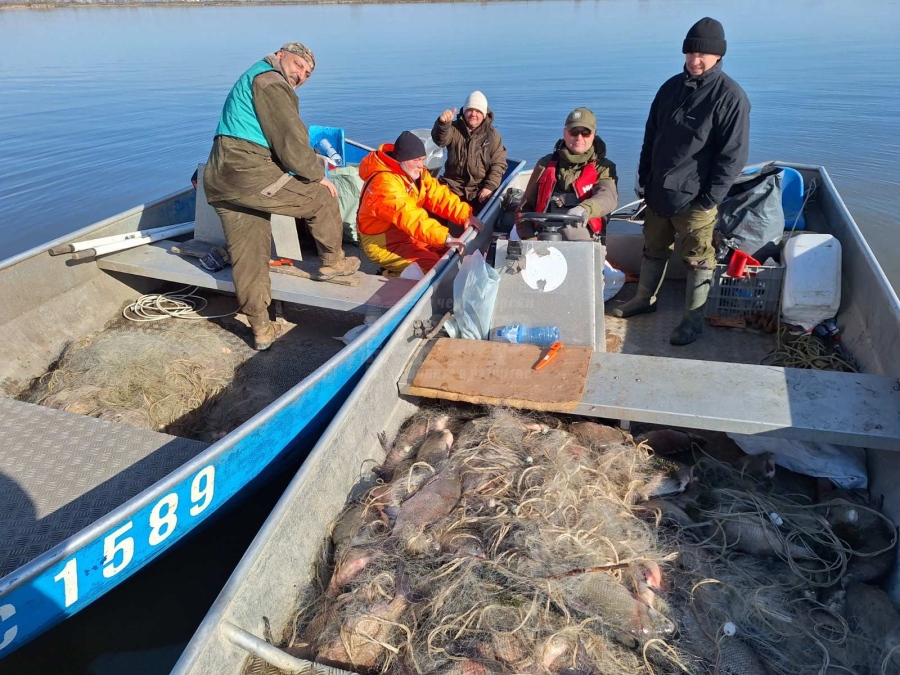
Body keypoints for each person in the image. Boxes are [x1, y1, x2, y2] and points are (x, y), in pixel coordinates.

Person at [203, 42, 359, 351]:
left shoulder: (252, 77)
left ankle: (261, 328)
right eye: (299, 65)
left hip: (220, 179)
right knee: (323, 197)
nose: (301, 74)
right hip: (248, 172)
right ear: (280, 54)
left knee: (248, 255)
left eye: (307, 73)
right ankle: (333, 262)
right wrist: (317, 176)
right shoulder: (271, 81)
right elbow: (290, 141)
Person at [614, 17, 750, 346]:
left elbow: (733, 157)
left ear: (719, 56)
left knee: (698, 259)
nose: (695, 59)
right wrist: (645, 179)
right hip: (659, 193)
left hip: (696, 200)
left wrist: (709, 199)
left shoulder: (731, 98)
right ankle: (644, 301)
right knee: (654, 248)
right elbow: (651, 137)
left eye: (703, 54)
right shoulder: (670, 88)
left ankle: (692, 321)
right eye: (690, 52)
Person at [357, 131, 483, 276]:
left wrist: (466, 216)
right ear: (401, 159)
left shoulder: (415, 173)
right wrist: (446, 238)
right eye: (416, 160)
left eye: (423, 159)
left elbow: (439, 195)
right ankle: (390, 275)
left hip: (408, 234)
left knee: (447, 255)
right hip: (383, 244)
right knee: (433, 269)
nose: (421, 165)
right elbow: (411, 217)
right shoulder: (384, 185)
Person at [515, 108, 618, 241]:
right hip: (543, 232)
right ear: (565, 133)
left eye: (585, 132)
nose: (579, 138)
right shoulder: (545, 164)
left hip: (585, 236)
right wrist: (528, 238)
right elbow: (525, 207)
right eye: (573, 132)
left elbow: (608, 197)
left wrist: (585, 209)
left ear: (594, 134)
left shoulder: (604, 167)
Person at [430, 91, 508, 213]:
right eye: (470, 110)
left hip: (479, 190)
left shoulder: (493, 136)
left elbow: (499, 164)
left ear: (484, 114)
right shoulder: (453, 129)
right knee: (433, 208)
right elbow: (440, 140)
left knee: (486, 214)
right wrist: (443, 124)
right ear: (464, 111)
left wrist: (489, 186)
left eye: (477, 111)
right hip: (452, 187)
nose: (473, 114)